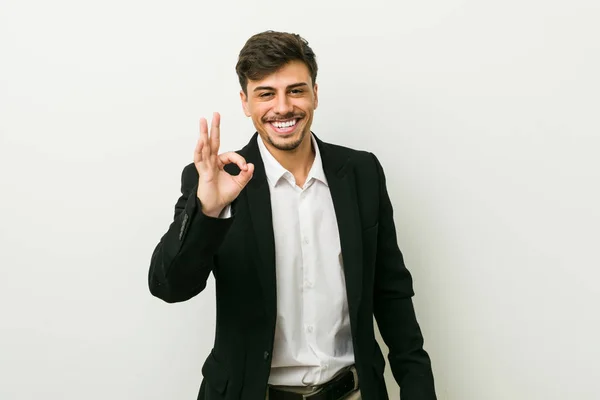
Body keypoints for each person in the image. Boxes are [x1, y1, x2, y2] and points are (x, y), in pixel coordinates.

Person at [148, 30, 437, 400]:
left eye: (296, 90)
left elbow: (392, 292)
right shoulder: (216, 181)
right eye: (266, 94)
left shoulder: (361, 172)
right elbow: (169, 286)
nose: (282, 107)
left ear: (315, 93)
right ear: (245, 102)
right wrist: (208, 209)